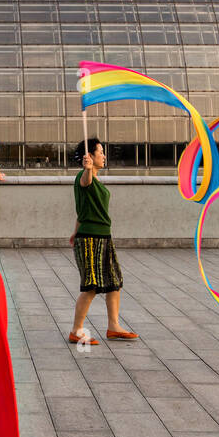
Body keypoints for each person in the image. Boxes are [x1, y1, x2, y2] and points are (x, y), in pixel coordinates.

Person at [68, 138, 138, 345]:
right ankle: (77, 331)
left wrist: (74, 232)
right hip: (90, 239)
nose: (104, 156)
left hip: (102, 236)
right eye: (101, 152)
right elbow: (85, 181)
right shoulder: (84, 176)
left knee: (113, 282)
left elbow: (82, 211)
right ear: (90, 157)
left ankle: (113, 326)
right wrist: (88, 168)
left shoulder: (96, 180)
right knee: (91, 286)